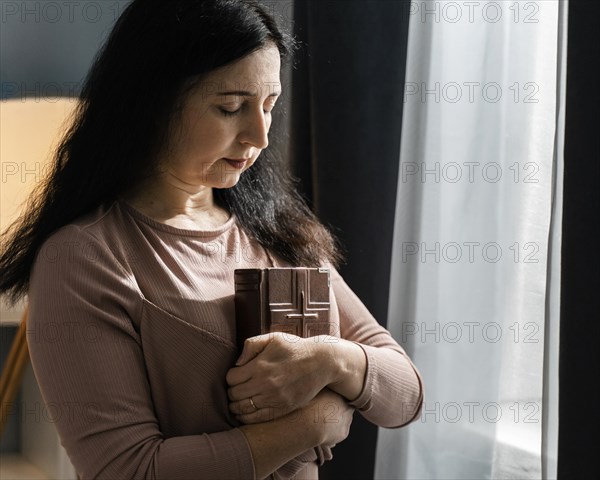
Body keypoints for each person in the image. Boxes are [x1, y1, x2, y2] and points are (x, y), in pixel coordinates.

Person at [0, 1, 423, 479]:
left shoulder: (277, 232)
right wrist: (315, 421)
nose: (260, 135)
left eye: (269, 105)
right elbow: (126, 470)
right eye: (231, 107)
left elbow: (405, 393)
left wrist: (331, 361)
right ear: (153, 100)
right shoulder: (84, 258)